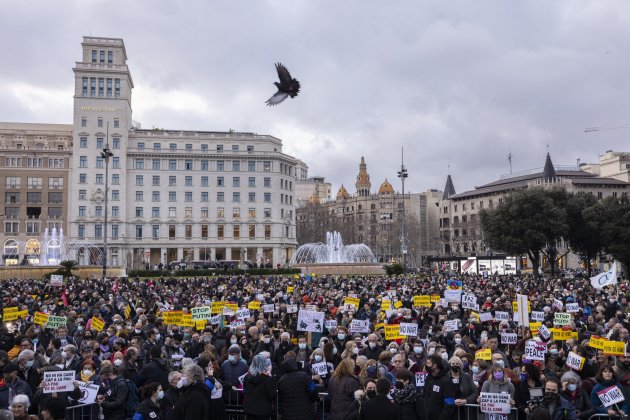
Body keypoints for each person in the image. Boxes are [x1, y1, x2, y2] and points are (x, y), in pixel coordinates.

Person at [242, 354, 277, 420]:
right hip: (263, 410)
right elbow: (272, 395)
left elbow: (245, 387)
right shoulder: (268, 379)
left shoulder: (247, 377)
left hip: (249, 409)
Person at [424, 355, 457, 420]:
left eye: (428, 363)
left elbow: (449, 404)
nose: (426, 365)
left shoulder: (446, 382)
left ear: (434, 366)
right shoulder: (428, 378)